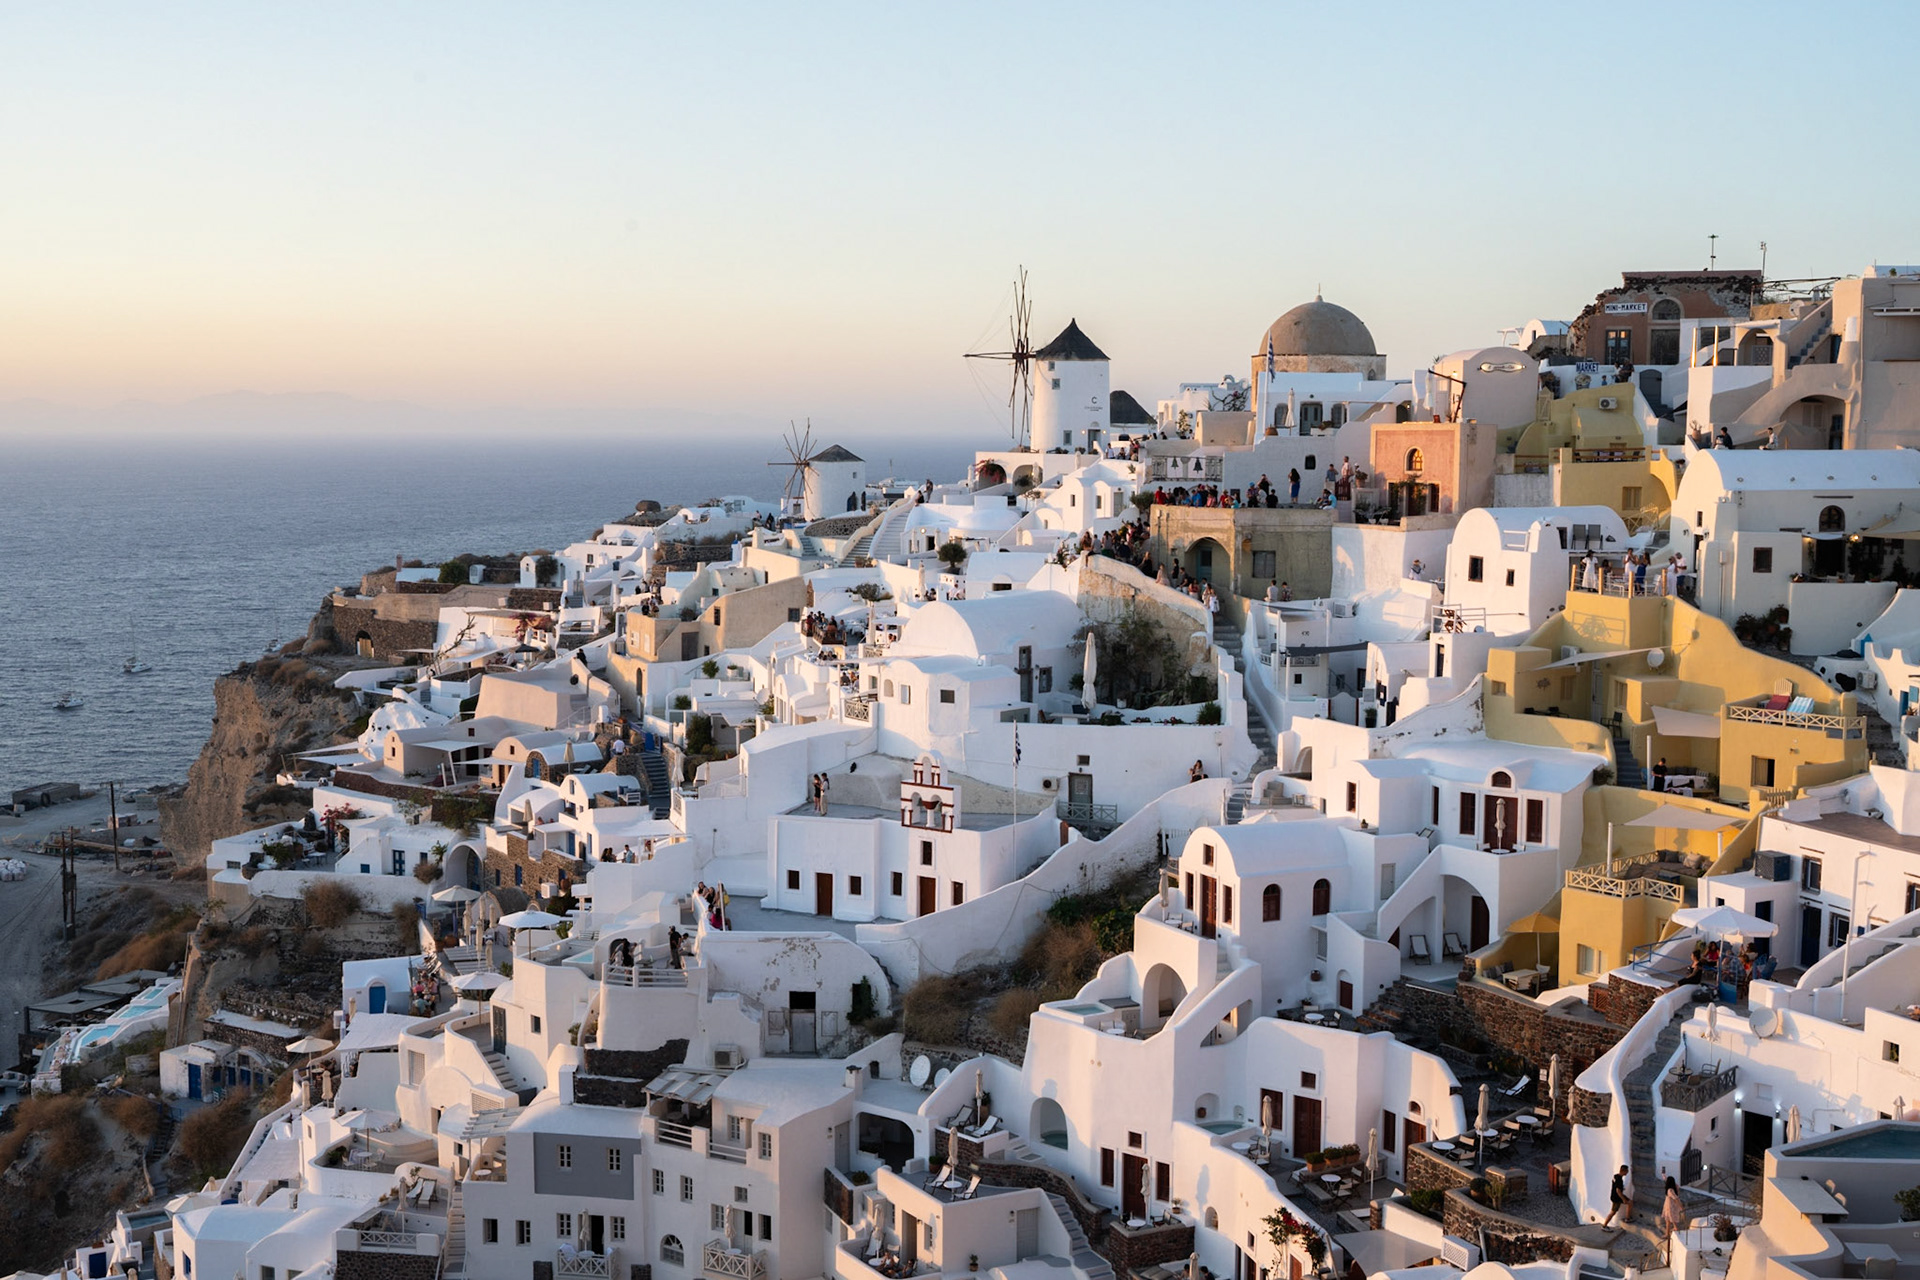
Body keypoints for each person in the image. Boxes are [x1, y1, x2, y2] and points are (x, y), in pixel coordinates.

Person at [1660, 1175, 1687, 1242]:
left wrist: (1681, 1207)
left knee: (1668, 1220)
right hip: (1672, 1206)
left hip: (1669, 1207)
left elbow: (1676, 1199)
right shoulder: (1676, 1187)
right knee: (1669, 1220)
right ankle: (1673, 1229)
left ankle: (1668, 1234)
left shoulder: (1669, 1190)